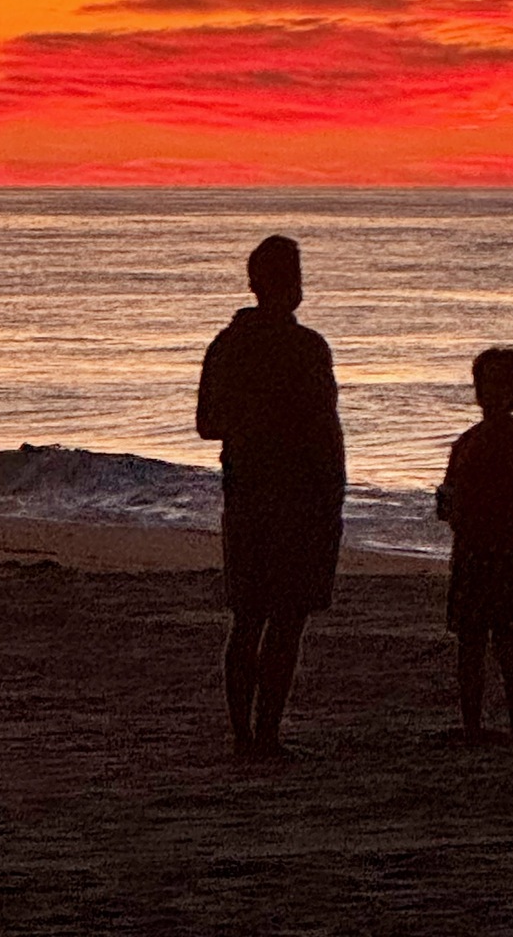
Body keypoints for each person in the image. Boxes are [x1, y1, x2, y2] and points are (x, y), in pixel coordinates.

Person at [196, 235, 345, 761]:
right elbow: (326, 433)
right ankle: (265, 734)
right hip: (297, 498)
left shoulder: (226, 345)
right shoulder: (307, 349)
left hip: (247, 492)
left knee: (251, 618)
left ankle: (245, 735)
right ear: (292, 287)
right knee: (283, 621)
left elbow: (206, 425)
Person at [436, 346, 513, 745]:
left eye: (501, 384)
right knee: (473, 642)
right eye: (486, 383)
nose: (491, 392)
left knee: (505, 641)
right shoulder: (469, 442)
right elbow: (449, 497)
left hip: (506, 549)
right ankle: (473, 725)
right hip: (476, 549)